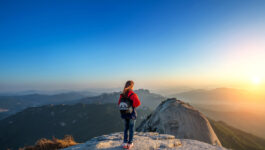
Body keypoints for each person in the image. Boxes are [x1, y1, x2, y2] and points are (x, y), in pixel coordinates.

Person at [118, 80, 141, 149]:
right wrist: (131, 106)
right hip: (131, 115)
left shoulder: (122, 94)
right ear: (132, 86)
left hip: (124, 114)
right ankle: (130, 143)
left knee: (126, 128)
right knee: (131, 129)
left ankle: (125, 143)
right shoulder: (133, 94)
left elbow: (119, 104)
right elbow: (138, 103)